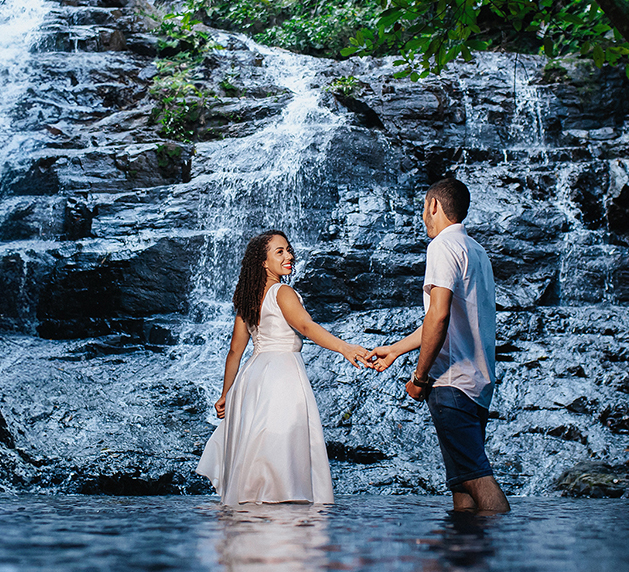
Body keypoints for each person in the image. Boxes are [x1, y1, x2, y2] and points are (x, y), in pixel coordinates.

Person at [368, 178, 510, 513]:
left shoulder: (442, 247)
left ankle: (504, 554)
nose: (423, 218)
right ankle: (460, 560)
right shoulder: (476, 251)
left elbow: (439, 316)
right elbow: (445, 318)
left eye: (423, 209)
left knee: (476, 478)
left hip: (451, 383)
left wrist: (419, 378)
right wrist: (396, 349)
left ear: (434, 205)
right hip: (477, 383)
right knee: (461, 484)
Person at [197, 230, 370, 504]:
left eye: (289, 250)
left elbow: (234, 352)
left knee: (259, 446)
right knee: (282, 447)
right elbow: (305, 326)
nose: (289, 256)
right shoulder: (282, 291)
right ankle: (283, 517)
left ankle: (253, 522)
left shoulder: (248, 300)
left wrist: (226, 393)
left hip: (252, 377)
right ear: (263, 263)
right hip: (281, 375)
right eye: (280, 251)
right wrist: (345, 347)